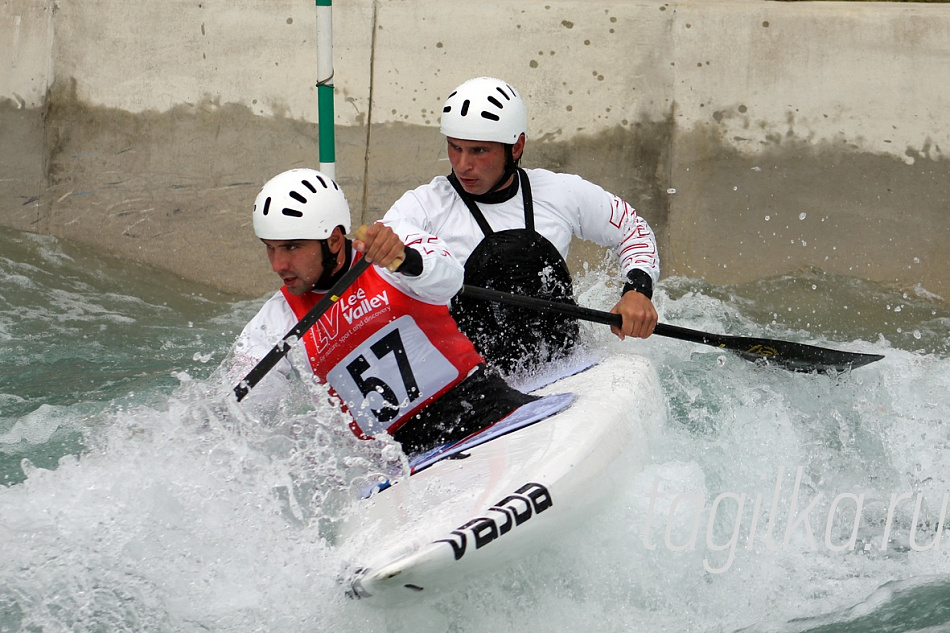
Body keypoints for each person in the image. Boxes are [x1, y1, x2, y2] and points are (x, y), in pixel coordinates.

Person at [231, 168, 537, 456]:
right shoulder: (275, 320)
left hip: (479, 404)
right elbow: (245, 405)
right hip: (397, 458)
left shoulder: (391, 243)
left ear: (334, 240)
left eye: (292, 247)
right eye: (270, 248)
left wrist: (408, 262)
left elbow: (450, 280)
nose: (278, 265)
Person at [382, 76, 660, 372]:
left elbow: (631, 229)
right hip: (472, 378)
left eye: (478, 150)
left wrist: (638, 290)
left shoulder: (559, 192)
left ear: (516, 147)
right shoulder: (423, 207)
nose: (462, 164)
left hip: (564, 367)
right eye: (455, 147)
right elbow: (382, 263)